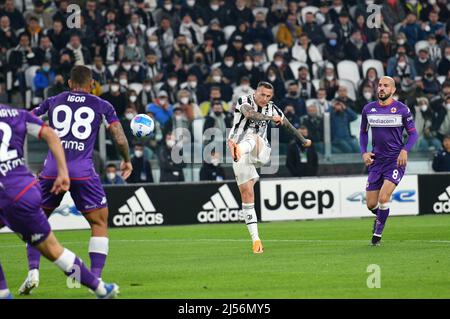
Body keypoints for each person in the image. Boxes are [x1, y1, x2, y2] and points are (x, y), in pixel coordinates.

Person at [21, 66, 132, 295]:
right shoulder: (102, 104)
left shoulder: (53, 100)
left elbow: (27, 119)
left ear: (70, 83)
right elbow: (119, 137)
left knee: (35, 220)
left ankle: (33, 272)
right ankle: (96, 281)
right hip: (83, 172)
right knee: (99, 224)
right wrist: (126, 159)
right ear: (92, 84)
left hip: (52, 171)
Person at [0, 104, 119, 299]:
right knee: (54, 249)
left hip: (14, 191)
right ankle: (99, 287)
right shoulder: (16, 114)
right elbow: (51, 134)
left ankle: (13, 286)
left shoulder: (53, 101)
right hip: (23, 190)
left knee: (51, 247)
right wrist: (62, 172)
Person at [227, 82, 312, 254]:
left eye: (268, 96)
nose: (264, 98)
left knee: (252, 135)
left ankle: (238, 149)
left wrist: (303, 141)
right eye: (262, 95)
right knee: (247, 193)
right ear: (256, 92)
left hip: (260, 150)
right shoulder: (244, 100)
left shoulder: (272, 108)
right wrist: (271, 119)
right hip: (240, 153)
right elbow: (250, 114)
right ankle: (256, 241)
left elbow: (287, 125)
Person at [359, 76, 418, 246]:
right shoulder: (368, 109)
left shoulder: (402, 109)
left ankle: (377, 235)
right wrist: (364, 152)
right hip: (377, 161)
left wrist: (404, 150)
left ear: (393, 90)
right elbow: (363, 132)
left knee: (384, 198)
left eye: (386, 86)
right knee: (371, 204)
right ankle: (380, 217)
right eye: (380, 85)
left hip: (395, 161)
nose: (382, 88)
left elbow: (413, 134)